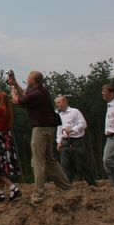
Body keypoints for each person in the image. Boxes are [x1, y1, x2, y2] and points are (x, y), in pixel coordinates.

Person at [9, 70, 71, 203]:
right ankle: (66, 187)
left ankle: (39, 194)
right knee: (49, 160)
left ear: (33, 81)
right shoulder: (41, 91)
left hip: (40, 130)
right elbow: (25, 94)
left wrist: (12, 88)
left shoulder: (36, 94)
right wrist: (15, 84)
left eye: (28, 78)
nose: (27, 79)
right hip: (49, 128)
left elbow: (17, 100)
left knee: (38, 161)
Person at [55, 95, 97, 186]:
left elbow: (83, 124)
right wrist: (59, 142)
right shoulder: (59, 115)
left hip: (77, 140)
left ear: (64, 102)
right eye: (56, 103)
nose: (57, 105)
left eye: (58, 102)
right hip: (65, 141)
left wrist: (73, 129)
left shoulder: (75, 112)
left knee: (82, 163)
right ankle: (67, 186)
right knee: (65, 164)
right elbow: (59, 129)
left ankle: (92, 184)